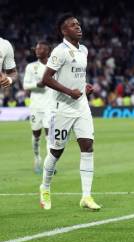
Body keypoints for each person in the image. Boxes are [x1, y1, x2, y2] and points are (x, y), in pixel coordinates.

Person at [39, 13, 100, 211]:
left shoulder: (84, 50)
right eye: (73, 25)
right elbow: (46, 79)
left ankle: (86, 196)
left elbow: (77, 76)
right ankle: (45, 187)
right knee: (56, 151)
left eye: (78, 24)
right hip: (62, 108)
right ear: (64, 31)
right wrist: (69, 92)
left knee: (88, 146)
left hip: (81, 105)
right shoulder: (60, 51)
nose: (78, 27)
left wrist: (84, 88)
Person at [23, 41, 52, 174]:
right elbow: (25, 85)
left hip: (50, 107)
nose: (37, 50)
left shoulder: (54, 67)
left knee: (49, 136)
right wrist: (37, 84)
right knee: (36, 135)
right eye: (36, 48)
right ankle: (37, 158)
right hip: (35, 106)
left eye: (40, 48)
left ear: (47, 51)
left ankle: (49, 164)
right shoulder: (31, 67)